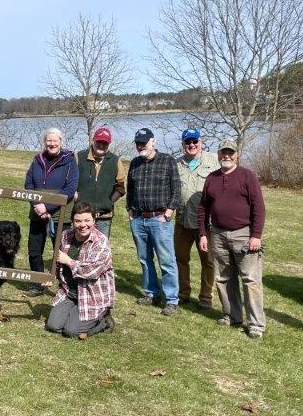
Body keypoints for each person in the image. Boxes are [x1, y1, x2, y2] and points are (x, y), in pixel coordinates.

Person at [198, 140, 267, 337]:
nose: (226, 156)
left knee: (250, 279)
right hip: (218, 234)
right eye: (223, 152)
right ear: (218, 154)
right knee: (223, 278)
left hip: (243, 235)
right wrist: (203, 233)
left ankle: (256, 324)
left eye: (230, 152)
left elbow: (259, 208)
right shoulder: (212, 178)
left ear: (236, 154)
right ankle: (232, 315)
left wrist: (256, 236)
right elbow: (203, 208)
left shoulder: (247, 176)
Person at [126, 127, 180, 315]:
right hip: (139, 219)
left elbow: (176, 188)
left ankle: (171, 299)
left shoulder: (167, 161)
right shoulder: (134, 163)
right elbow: (130, 189)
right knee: (144, 259)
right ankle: (151, 293)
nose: (141, 146)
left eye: (144, 142)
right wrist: (130, 211)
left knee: (166, 260)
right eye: (138, 143)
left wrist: (169, 211)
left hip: (160, 219)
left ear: (153, 141)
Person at [46, 202, 116, 339]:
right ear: (72, 221)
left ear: (94, 220)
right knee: (53, 325)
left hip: (91, 296)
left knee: (70, 331)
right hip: (69, 292)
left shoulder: (101, 242)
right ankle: (75, 314)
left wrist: (69, 261)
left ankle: (103, 319)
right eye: (78, 221)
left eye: (87, 220)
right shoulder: (66, 236)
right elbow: (58, 262)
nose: (82, 225)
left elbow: (91, 272)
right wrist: (50, 276)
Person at [24, 127, 79, 296]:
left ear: (61, 142)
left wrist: (47, 206)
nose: (52, 144)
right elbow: (28, 185)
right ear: (45, 142)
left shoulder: (69, 160)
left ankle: (65, 286)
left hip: (60, 214)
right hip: (37, 213)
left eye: (55, 141)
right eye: (49, 140)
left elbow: (70, 188)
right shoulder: (37, 160)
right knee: (34, 250)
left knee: (62, 251)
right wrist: (37, 205)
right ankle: (37, 284)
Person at [174, 128, 220, 308]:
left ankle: (206, 297)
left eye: (195, 141)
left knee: (208, 261)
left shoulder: (214, 161)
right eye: (188, 142)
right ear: (183, 144)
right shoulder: (176, 164)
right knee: (181, 259)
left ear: (201, 142)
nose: (191, 145)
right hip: (182, 221)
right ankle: (183, 293)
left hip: (206, 224)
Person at [74, 126, 127, 239]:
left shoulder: (115, 161)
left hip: (104, 216)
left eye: (105, 143)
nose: (101, 145)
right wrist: (77, 197)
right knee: (79, 247)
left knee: (101, 249)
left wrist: (109, 202)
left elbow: (120, 187)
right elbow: (70, 181)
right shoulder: (79, 157)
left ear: (109, 144)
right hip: (82, 215)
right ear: (93, 140)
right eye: (99, 142)